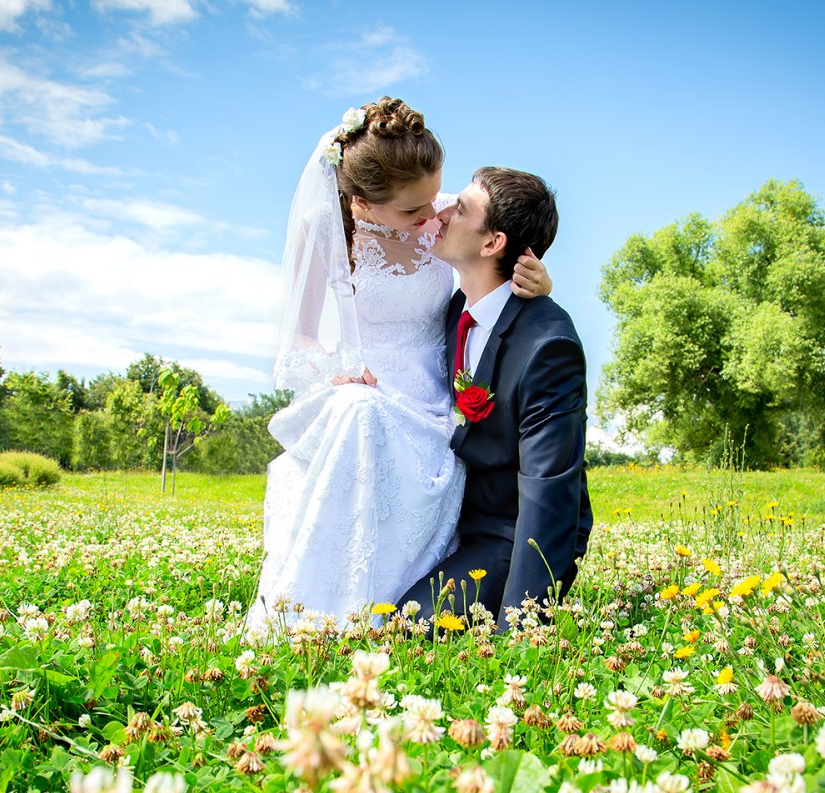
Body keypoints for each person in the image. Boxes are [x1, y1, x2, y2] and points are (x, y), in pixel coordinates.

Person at [245, 98, 552, 636]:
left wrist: (538, 280)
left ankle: (394, 612)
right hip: (365, 383)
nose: (433, 216)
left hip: (433, 397)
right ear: (363, 202)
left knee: (367, 417)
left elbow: (500, 242)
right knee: (358, 412)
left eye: (437, 198)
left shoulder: (441, 210)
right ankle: (316, 615)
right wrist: (335, 368)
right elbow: (301, 339)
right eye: (414, 212)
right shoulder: (326, 228)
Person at [398, 167, 592, 626]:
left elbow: (549, 491)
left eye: (461, 208)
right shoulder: (455, 308)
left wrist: (519, 627)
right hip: (443, 514)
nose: (443, 212)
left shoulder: (548, 346)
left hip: (505, 532)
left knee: (403, 627)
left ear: (492, 243)